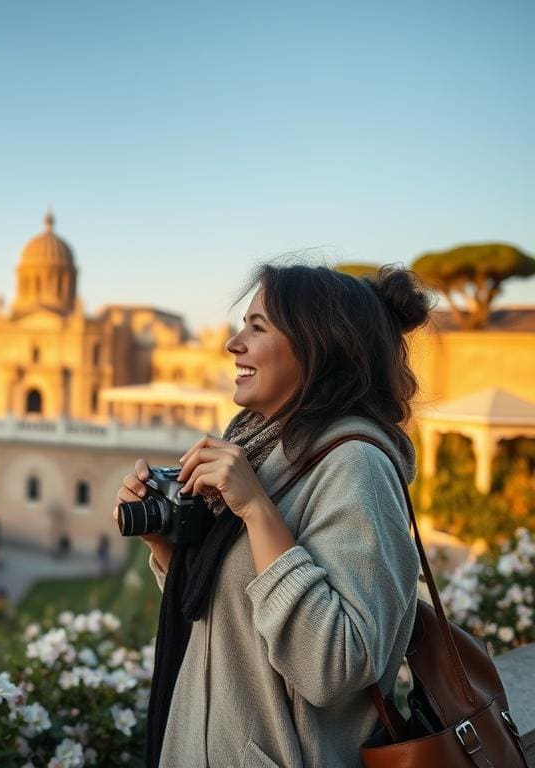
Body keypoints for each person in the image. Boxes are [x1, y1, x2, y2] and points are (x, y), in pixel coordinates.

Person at [113, 263, 432, 768]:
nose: (232, 344)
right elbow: (227, 617)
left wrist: (257, 509)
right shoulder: (264, 450)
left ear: (317, 346)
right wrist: (163, 540)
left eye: (257, 328)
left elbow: (335, 668)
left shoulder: (357, 466)